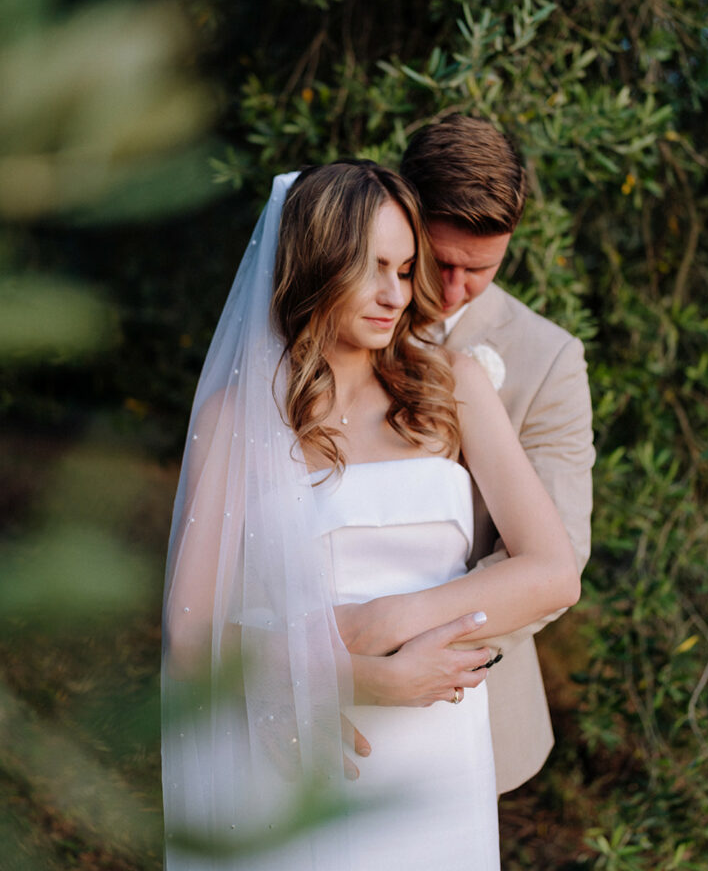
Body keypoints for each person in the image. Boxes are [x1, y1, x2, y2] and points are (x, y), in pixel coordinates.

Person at [162, 161, 580, 871]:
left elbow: (553, 574)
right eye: (375, 268)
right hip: (295, 744)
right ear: (321, 266)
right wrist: (357, 675)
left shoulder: (453, 387)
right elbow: (189, 636)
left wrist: (384, 622)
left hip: (440, 751)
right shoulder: (237, 417)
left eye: (406, 268)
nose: (396, 294)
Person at [399, 114, 595, 794]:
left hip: (470, 705)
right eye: (438, 261)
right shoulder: (326, 319)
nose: (452, 291)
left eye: (478, 270)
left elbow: (560, 549)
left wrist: (415, 652)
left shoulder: (550, 361)